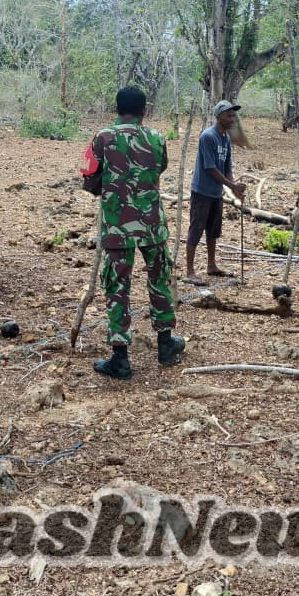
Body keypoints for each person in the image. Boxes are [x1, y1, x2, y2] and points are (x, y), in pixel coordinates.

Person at [85, 87, 185, 380]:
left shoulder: (102, 138)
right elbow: (158, 168)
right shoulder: (156, 138)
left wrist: (110, 182)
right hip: (152, 223)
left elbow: (89, 179)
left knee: (117, 288)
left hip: (118, 226)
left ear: (116, 108)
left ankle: (120, 358)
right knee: (159, 281)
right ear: (145, 111)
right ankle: (166, 345)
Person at [184, 100, 246, 285]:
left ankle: (211, 265)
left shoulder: (226, 138)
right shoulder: (208, 136)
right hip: (202, 191)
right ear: (218, 116)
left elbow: (227, 166)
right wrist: (231, 186)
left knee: (213, 230)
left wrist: (234, 188)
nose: (232, 118)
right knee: (196, 229)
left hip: (216, 192)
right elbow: (210, 167)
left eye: (233, 115)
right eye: (229, 115)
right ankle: (189, 271)